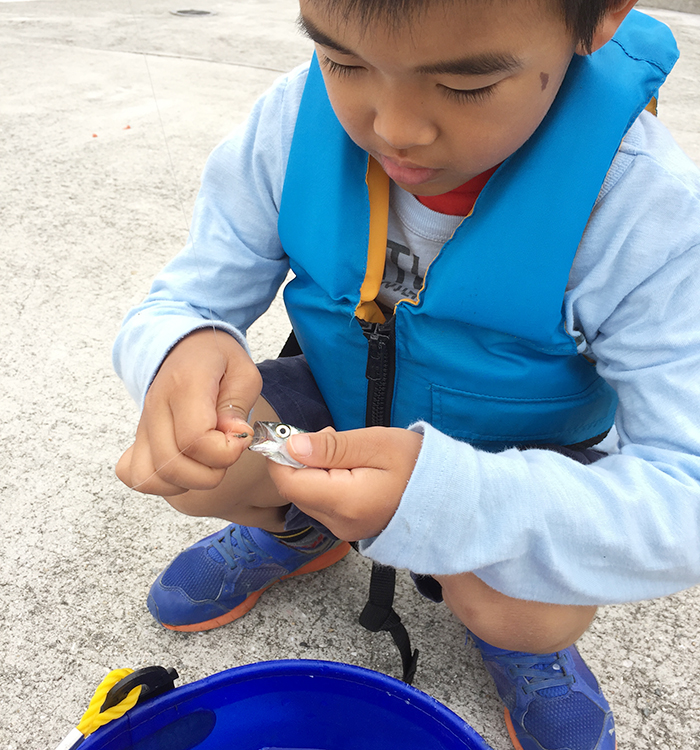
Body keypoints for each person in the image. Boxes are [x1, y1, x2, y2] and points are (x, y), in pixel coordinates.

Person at [113, 0, 700, 748]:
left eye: (464, 85)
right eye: (345, 61)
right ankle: (306, 531)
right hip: (332, 409)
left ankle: (521, 643)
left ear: (599, 18)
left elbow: (686, 486)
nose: (394, 128)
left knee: (527, 605)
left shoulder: (643, 210)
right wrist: (178, 347)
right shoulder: (292, 124)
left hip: (519, 458)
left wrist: (450, 503)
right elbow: (185, 295)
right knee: (203, 462)